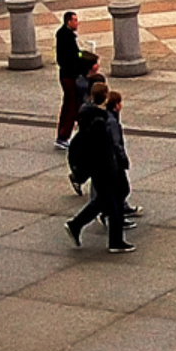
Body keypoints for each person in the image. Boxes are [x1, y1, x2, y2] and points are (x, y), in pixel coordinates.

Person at [64, 87, 135, 253]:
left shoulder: (87, 115)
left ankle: (76, 225)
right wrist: (120, 162)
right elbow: (110, 146)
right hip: (106, 168)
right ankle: (115, 241)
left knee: (103, 201)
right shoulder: (101, 121)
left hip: (97, 167)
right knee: (114, 202)